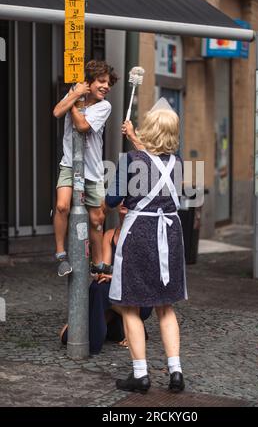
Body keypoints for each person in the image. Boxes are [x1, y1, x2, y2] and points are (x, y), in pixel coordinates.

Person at [104, 98, 187, 394]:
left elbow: (112, 200)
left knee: (130, 305)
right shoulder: (178, 164)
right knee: (166, 306)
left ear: (148, 129)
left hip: (139, 234)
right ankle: (175, 371)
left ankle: (141, 375)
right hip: (171, 235)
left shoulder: (130, 161)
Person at [53, 60, 118, 277]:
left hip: (93, 170)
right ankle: (61, 255)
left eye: (108, 83)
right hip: (69, 164)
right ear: (88, 82)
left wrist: (74, 101)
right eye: (101, 81)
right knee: (62, 206)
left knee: (97, 218)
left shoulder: (104, 106)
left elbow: (81, 126)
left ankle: (97, 263)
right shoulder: (75, 93)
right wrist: (75, 95)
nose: (106, 86)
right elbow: (56, 112)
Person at [60, 202, 152, 354]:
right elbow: (104, 271)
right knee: (99, 285)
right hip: (116, 293)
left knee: (99, 290)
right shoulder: (110, 234)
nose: (124, 202)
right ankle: (125, 324)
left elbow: (143, 275)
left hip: (139, 296)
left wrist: (116, 276)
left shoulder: (143, 234)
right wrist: (107, 275)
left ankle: (90, 339)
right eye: (121, 199)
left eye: (128, 198)